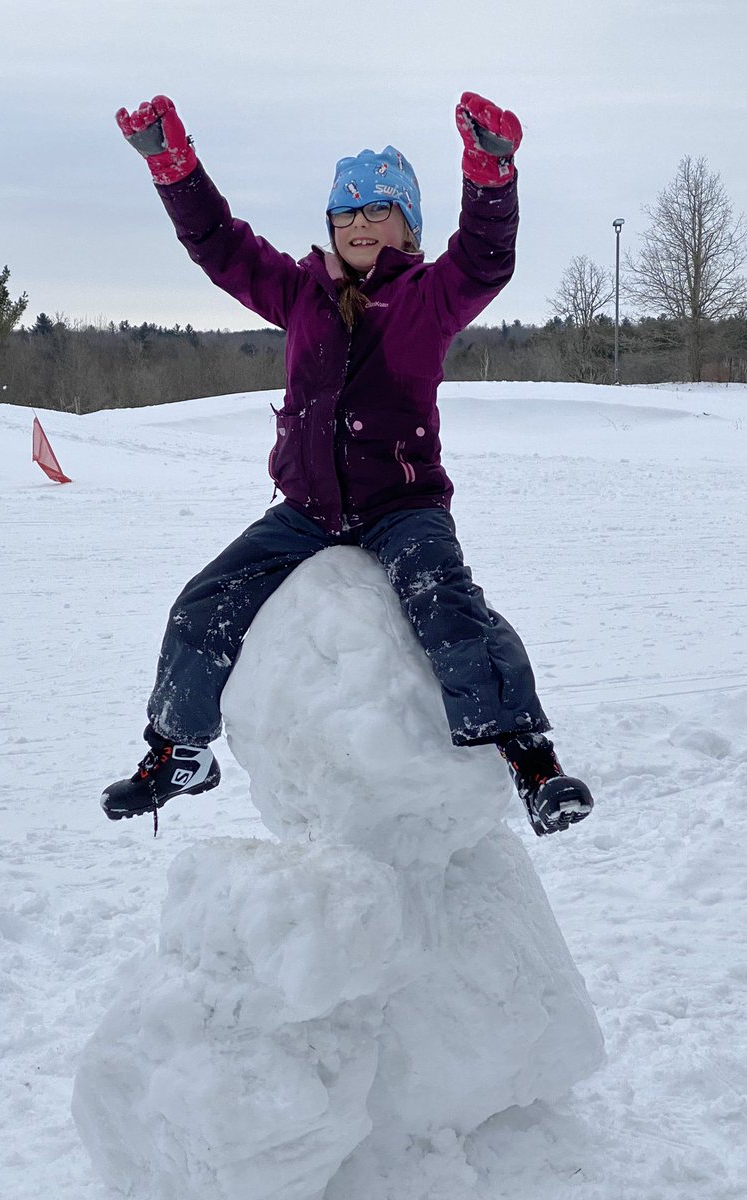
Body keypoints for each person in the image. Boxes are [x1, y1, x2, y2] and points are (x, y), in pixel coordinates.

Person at [101, 92, 594, 839]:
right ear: (330, 224)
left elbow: (487, 257)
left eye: (377, 211)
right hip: (306, 511)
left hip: (402, 505)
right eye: (346, 213)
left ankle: (529, 759)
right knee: (202, 604)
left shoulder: (429, 296)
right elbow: (220, 245)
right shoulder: (300, 293)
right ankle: (179, 750)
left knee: (450, 608)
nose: (359, 226)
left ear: (406, 225)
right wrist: (176, 169)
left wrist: (490, 170)